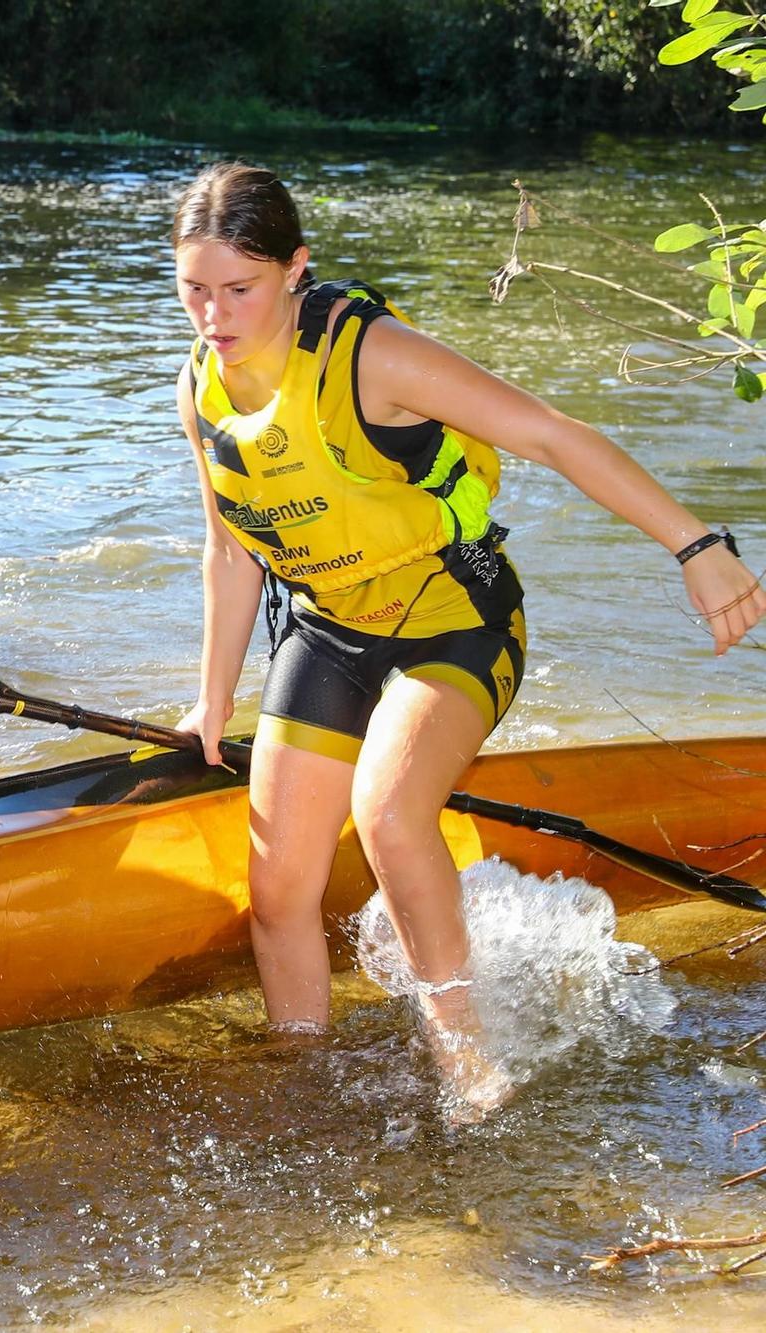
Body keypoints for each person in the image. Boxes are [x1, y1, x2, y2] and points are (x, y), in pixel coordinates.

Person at [167, 162, 766, 1117]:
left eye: (238, 289)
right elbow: (231, 552)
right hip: (331, 630)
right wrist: (211, 697)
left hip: (456, 616)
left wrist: (698, 544)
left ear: (295, 269)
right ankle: (302, 1074)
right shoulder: (202, 387)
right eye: (194, 289)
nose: (214, 314)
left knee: (391, 812)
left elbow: (554, 436)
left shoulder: (373, 356)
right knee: (278, 886)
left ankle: (468, 1066)